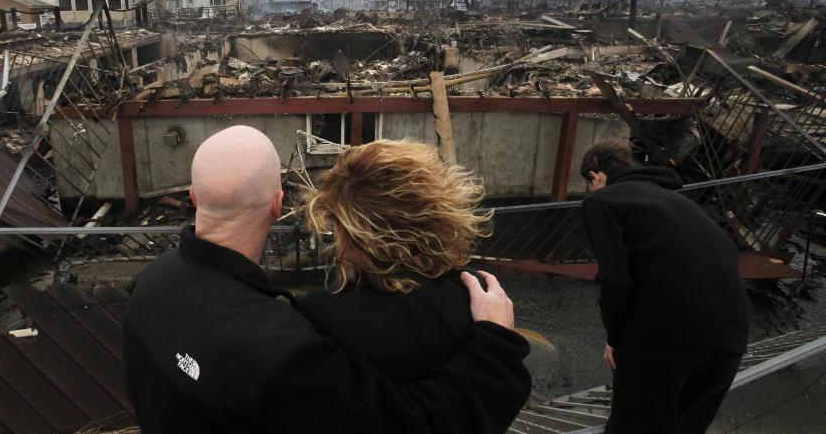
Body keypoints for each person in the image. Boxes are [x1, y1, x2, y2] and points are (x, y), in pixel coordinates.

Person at [124, 126, 532, 434]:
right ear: (277, 203)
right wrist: (496, 342)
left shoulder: (150, 283)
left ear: (193, 198)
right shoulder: (280, 346)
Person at [296, 140, 530, 423]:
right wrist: (498, 335)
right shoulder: (478, 297)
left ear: (354, 232)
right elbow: (503, 396)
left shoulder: (319, 317)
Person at [579, 139, 752, 434]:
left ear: (596, 176)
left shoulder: (603, 201)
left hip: (665, 335)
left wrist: (615, 337)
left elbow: (615, 279)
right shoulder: (680, 202)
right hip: (731, 337)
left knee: (634, 426)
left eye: (590, 184)